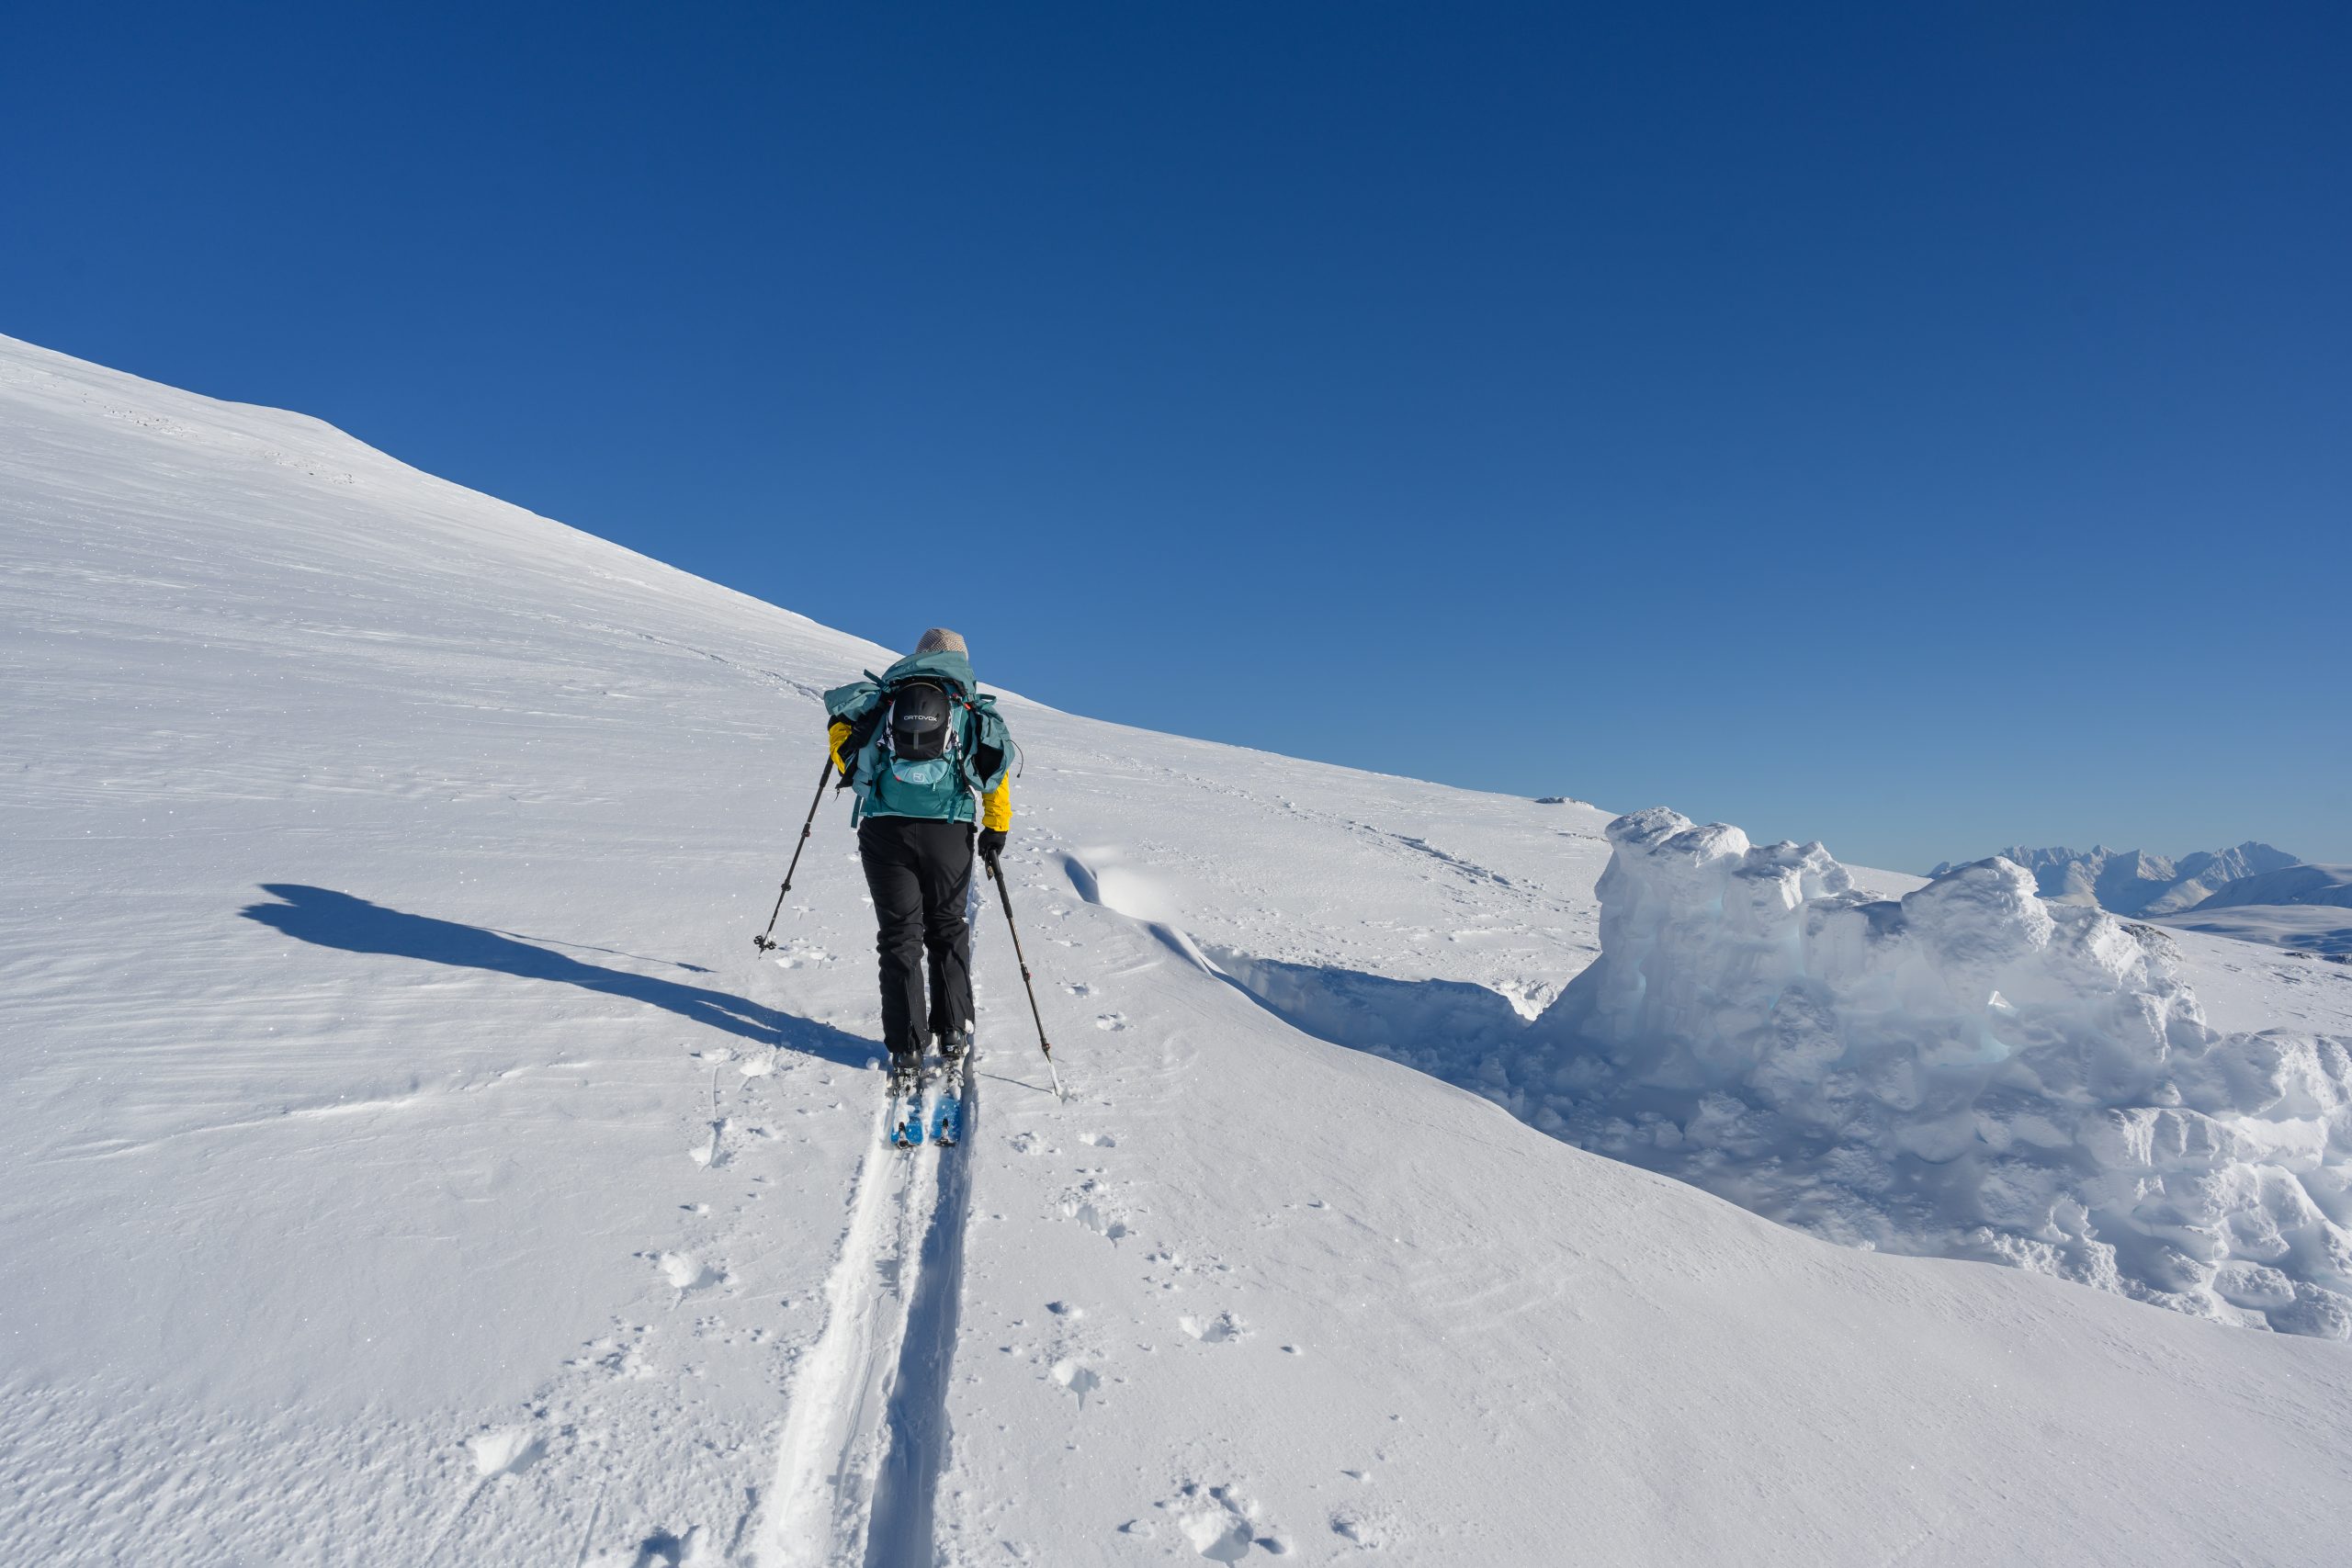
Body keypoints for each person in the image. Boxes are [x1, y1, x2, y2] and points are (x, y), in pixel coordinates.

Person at [823, 628, 1015, 1095]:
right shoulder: (968, 707)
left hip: (885, 830)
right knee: (947, 926)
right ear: (962, 659)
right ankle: (953, 1034)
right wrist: (996, 828)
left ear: (919, 654)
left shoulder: (884, 699)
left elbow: (842, 746)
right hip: (947, 831)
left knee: (899, 935)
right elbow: (994, 773)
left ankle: (906, 1046)